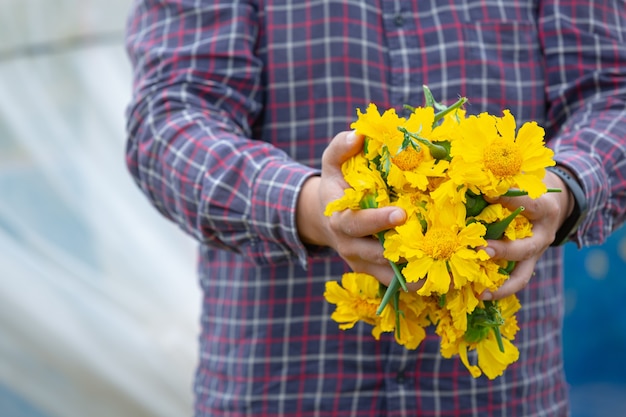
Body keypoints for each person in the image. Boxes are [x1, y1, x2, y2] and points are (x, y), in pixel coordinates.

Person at [124, 1, 626, 415]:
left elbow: (613, 98)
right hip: (281, 387)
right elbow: (169, 121)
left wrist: (564, 190)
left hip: (496, 396)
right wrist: (306, 207)